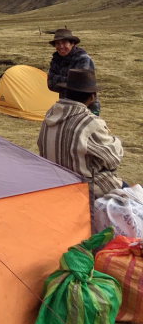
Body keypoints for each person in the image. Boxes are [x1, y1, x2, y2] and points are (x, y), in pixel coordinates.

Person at [38, 68, 123, 198]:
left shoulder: (51, 113)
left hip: (52, 181)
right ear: (93, 96)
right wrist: (116, 141)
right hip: (80, 187)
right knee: (131, 193)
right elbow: (113, 159)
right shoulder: (90, 122)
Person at [47, 28, 100, 114]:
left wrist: (57, 79)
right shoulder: (56, 59)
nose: (61, 47)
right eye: (57, 43)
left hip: (86, 106)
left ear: (72, 43)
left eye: (64, 43)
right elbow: (50, 84)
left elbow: (80, 88)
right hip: (65, 104)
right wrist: (69, 81)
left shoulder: (83, 59)